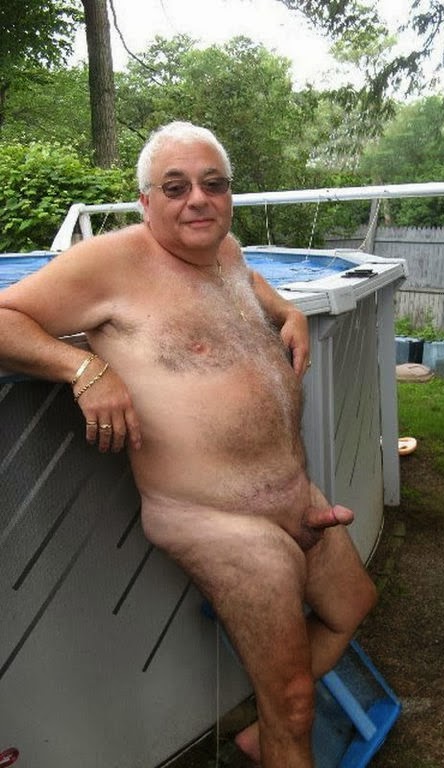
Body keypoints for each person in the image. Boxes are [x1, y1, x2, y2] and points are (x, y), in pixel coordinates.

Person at [0, 121, 377, 768]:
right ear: (145, 202)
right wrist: (83, 368)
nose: (197, 199)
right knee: (295, 704)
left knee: (353, 606)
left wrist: (288, 312)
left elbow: (252, 283)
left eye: (213, 184)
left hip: (295, 496)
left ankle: (267, 729)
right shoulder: (110, 263)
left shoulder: (225, 252)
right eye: (175, 188)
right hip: (214, 519)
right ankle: (280, 724)